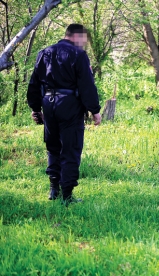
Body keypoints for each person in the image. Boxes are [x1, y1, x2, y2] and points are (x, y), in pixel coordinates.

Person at [27, 24, 101, 206]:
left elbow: (34, 83)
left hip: (48, 104)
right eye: (83, 39)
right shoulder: (78, 55)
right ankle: (66, 195)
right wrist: (95, 110)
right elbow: (87, 85)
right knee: (70, 148)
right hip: (69, 104)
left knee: (53, 147)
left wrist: (36, 108)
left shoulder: (44, 53)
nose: (84, 43)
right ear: (76, 36)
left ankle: (54, 189)